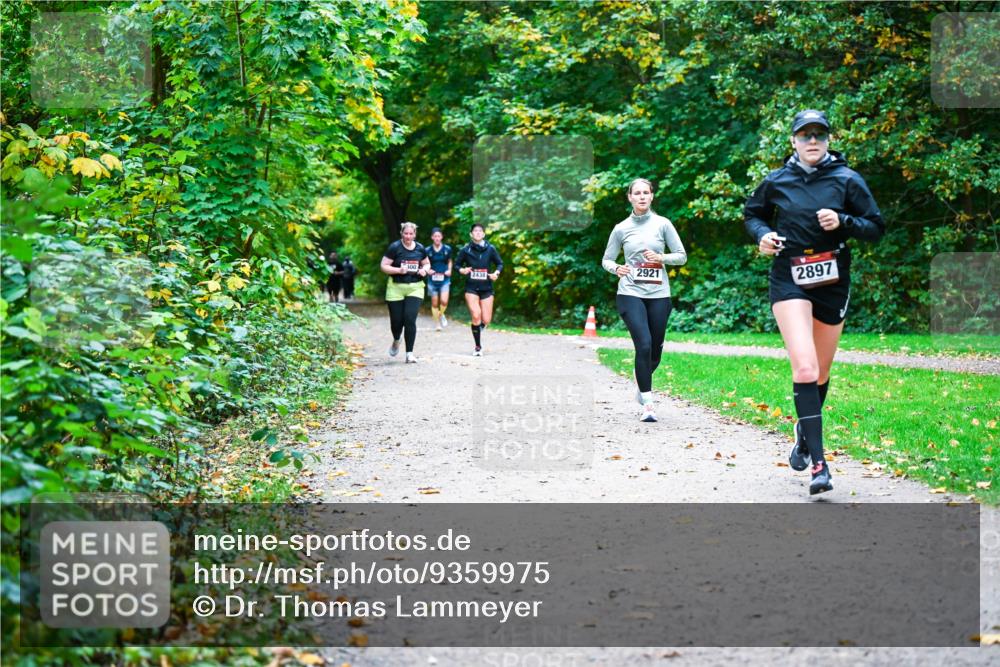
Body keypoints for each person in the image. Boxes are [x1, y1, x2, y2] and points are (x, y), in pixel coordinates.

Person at [744, 109, 884, 496]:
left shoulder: (847, 179)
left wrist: (844, 221)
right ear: (793, 140)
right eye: (804, 135)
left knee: (820, 373)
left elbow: (876, 227)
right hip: (789, 277)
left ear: (828, 140)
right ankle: (820, 466)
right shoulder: (777, 180)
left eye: (818, 135)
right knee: (804, 367)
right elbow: (753, 215)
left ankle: (804, 432)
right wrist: (763, 236)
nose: (812, 141)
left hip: (832, 281)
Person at [601, 178, 687, 423]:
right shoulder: (621, 228)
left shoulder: (663, 224)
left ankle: (641, 378)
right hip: (630, 292)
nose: (641, 197)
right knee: (644, 344)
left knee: (655, 352)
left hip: (659, 294)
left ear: (651, 196)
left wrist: (661, 258)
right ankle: (648, 404)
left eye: (645, 193)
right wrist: (616, 268)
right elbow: (607, 259)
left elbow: (681, 256)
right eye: (637, 193)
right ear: (630, 197)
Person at [380, 222, 431, 363]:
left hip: (415, 287)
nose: (408, 236)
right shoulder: (395, 247)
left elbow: (427, 263)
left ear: (415, 234)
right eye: (406, 233)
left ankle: (409, 354)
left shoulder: (420, 248)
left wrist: (424, 270)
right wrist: (398, 270)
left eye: (411, 234)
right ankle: (397, 339)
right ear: (401, 233)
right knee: (396, 322)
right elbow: (383, 266)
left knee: (410, 318)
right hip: (395, 287)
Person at [457, 223, 503, 356]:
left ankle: (478, 327)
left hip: (486, 288)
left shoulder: (491, 249)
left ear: (483, 234)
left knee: (486, 320)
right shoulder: (465, 249)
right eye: (475, 231)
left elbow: (500, 263)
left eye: (480, 231)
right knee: (476, 315)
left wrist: (496, 273)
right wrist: (462, 270)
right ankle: (478, 347)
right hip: (471, 287)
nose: (477, 233)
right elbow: (457, 265)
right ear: (471, 234)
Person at [425, 227, 453, 331]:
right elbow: (424, 263)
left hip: (444, 279)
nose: (437, 238)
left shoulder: (447, 249)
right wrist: (428, 270)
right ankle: (437, 324)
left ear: (442, 237)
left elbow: (450, 261)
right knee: (434, 303)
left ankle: (441, 314)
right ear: (432, 237)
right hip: (432, 280)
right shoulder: (427, 250)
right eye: (435, 236)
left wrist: (449, 270)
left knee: (444, 302)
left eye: (439, 236)